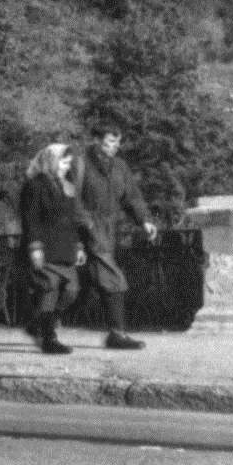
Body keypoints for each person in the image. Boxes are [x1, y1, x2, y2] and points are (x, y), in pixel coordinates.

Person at [76, 126, 158, 351]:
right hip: (87, 229)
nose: (113, 147)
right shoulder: (80, 164)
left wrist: (144, 220)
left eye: (116, 143)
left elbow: (132, 196)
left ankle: (46, 328)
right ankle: (117, 334)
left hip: (112, 229)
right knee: (113, 279)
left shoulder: (120, 166)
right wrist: (83, 229)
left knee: (89, 282)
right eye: (108, 142)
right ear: (95, 140)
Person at [19, 142, 91, 355]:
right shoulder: (35, 185)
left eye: (69, 163)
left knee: (71, 291)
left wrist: (78, 246)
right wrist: (34, 248)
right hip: (44, 247)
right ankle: (49, 339)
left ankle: (38, 323)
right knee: (49, 291)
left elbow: (72, 221)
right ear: (51, 160)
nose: (66, 167)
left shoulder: (68, 187)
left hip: (66, 247)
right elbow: (30, 219)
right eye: (63, 162)